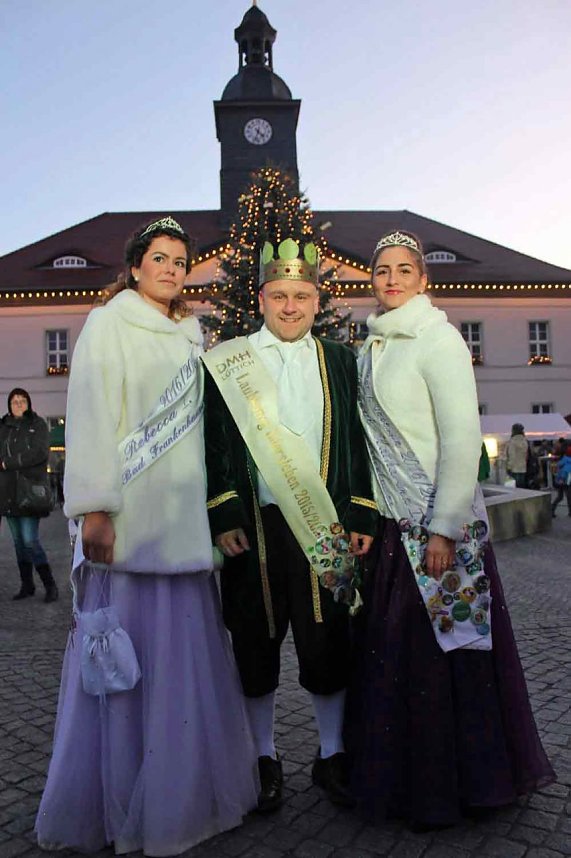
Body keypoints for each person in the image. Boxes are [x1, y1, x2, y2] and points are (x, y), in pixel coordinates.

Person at [36, 217, 257, 856]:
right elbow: (93, 414)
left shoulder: (193, 336)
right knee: (128, 672)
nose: (170, 268)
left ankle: (180, 794)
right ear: (135, 267)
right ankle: (125, 795)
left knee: (182, 670)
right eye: (159, 258)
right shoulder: (109, 324)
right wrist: (96, 506)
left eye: (180, 260)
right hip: (130, 525)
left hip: (182, 525)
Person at [345, 229, 555, 830]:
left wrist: (442, 529)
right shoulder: (373, 345)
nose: (390, 280)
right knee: (405, 661)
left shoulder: (437, 340)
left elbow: (463, 440)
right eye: (381, 270)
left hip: (437, 531)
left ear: (422, 279)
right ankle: (409, 778)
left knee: (450, 656)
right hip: (394, 529)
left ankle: (460, 783)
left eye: (402, 270)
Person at [203, 236, 376, 813]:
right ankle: (263, 756)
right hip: (254, 526)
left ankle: (330, 755)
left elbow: (356, 442)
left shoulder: (340, 359)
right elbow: (219, 446)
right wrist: (224, 511)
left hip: (324, 526)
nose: (291, 307)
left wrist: (360, 511)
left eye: (302, 295)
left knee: (329, 639)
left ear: (317, 296)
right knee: (255, 640)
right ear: (260, 297)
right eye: (279, 295)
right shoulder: (229, 361)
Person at [0, 388, 58, 602]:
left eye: (22, 400)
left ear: (29, 403)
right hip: (7, 492)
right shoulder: (2, 426)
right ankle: (27, 585)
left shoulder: (38, 424)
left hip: (29, 492)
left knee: (29, 540)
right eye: (14, 401)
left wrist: (8, 463)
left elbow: (39, 453)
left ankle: (50, 585)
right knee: (17, 542)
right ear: (9, 404)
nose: (18, 404)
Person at [505, 423, 529, 488]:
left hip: (514, 469)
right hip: (523, 468)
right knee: (522, 488)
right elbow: (526, 455)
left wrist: (509, 467)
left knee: (515, 489)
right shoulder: (525, 441)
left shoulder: (512, 442)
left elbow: (512, 456)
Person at [552, 443, 571, 517]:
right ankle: (570, 512)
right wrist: (563, 478)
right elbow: (566, 470)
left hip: (560, 480)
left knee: (560, 497)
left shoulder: (563, 459)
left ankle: (552, 510)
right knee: (569, 497)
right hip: (565, 481)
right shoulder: (568, 461)